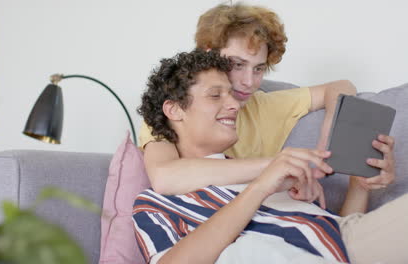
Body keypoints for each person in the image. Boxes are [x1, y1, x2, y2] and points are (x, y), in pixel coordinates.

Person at [133, 49, 405, 264]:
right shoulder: (155, 203)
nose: (233, 105)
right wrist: (260, 188)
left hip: (352, 242)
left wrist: (360, 183)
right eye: (216, 95)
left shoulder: (272, 172)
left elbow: (340, 232)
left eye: (231, 94)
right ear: (174, 110)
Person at [137, 3, 395, 206]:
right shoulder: (178, 111)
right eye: (237, 65)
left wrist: (332, 126)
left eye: (259, 68)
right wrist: (278, 167)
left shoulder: (265, 105)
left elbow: (341, 86)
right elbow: (165, 177)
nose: (248, 82)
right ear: (208, 55)